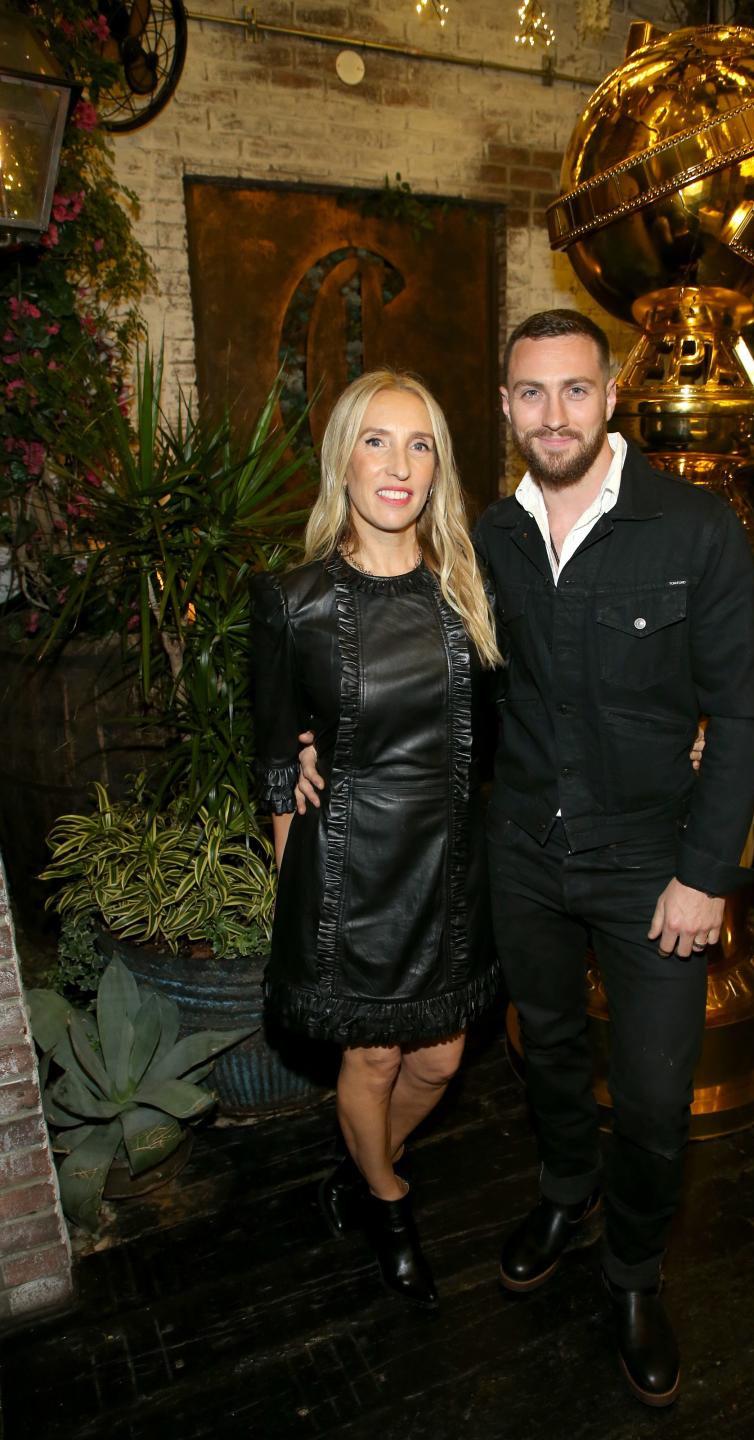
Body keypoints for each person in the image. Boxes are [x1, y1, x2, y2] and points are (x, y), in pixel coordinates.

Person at [473, 309, 754, 1405]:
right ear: (506, 407)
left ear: (611, 400)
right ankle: (565, 1189)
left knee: (652, 1100)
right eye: (530, 393)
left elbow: (742, 715)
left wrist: (705, 873)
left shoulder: (692, 530)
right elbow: (421, 660)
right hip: (524, 853)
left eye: (574, 390)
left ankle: (636, 1271)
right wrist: (309, 733)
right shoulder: (485, 535)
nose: (553, 414)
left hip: (656, 868)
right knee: (546, 1048)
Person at [250, 370, 501, 1311]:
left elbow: (519, 726)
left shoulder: (470, 587)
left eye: (421, 444)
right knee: (375, 1059)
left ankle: (364, 1169)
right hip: (349, 871)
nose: (400, 466)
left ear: (438, 467)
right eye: (377, 442)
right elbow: (280, 763)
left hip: (452, 866)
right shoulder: (295, 601)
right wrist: (296, 894)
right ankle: (391, 1205)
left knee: (438, 1059)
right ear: (342, 460)